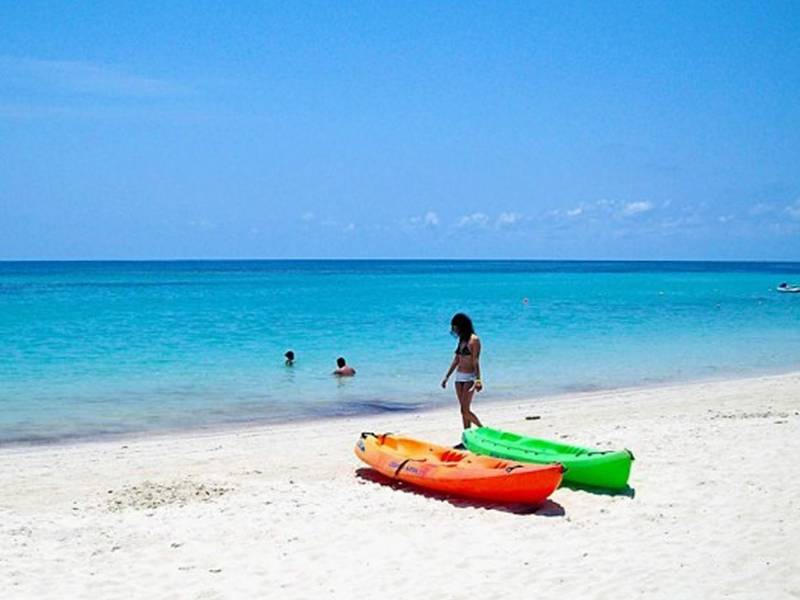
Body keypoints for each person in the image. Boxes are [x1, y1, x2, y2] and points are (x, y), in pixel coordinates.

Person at [441, 312, 483, 430]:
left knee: (465, 410)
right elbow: (456, 360)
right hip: (459, 377)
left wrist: (478, 380)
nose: (454, 330)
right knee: (463, 410)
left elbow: (475, 361)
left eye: (455, 327)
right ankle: (467, 434)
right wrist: (446, 377)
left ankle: (482, 429)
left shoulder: (474, 340)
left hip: (470, 377)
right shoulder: (461, 340)